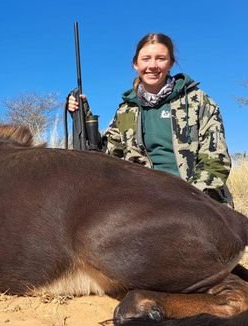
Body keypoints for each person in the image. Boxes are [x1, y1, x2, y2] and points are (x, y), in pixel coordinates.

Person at [68, 33, 234, 206]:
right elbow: (107, 155)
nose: (152, 66)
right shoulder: (126, 111)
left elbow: (216, 161)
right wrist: (83, 114)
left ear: (171, 63)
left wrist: (187, 200)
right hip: (144, 203)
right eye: (146, 59)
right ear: (136, 64)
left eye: (161, 58)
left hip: (196, 200)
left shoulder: (198, 101)